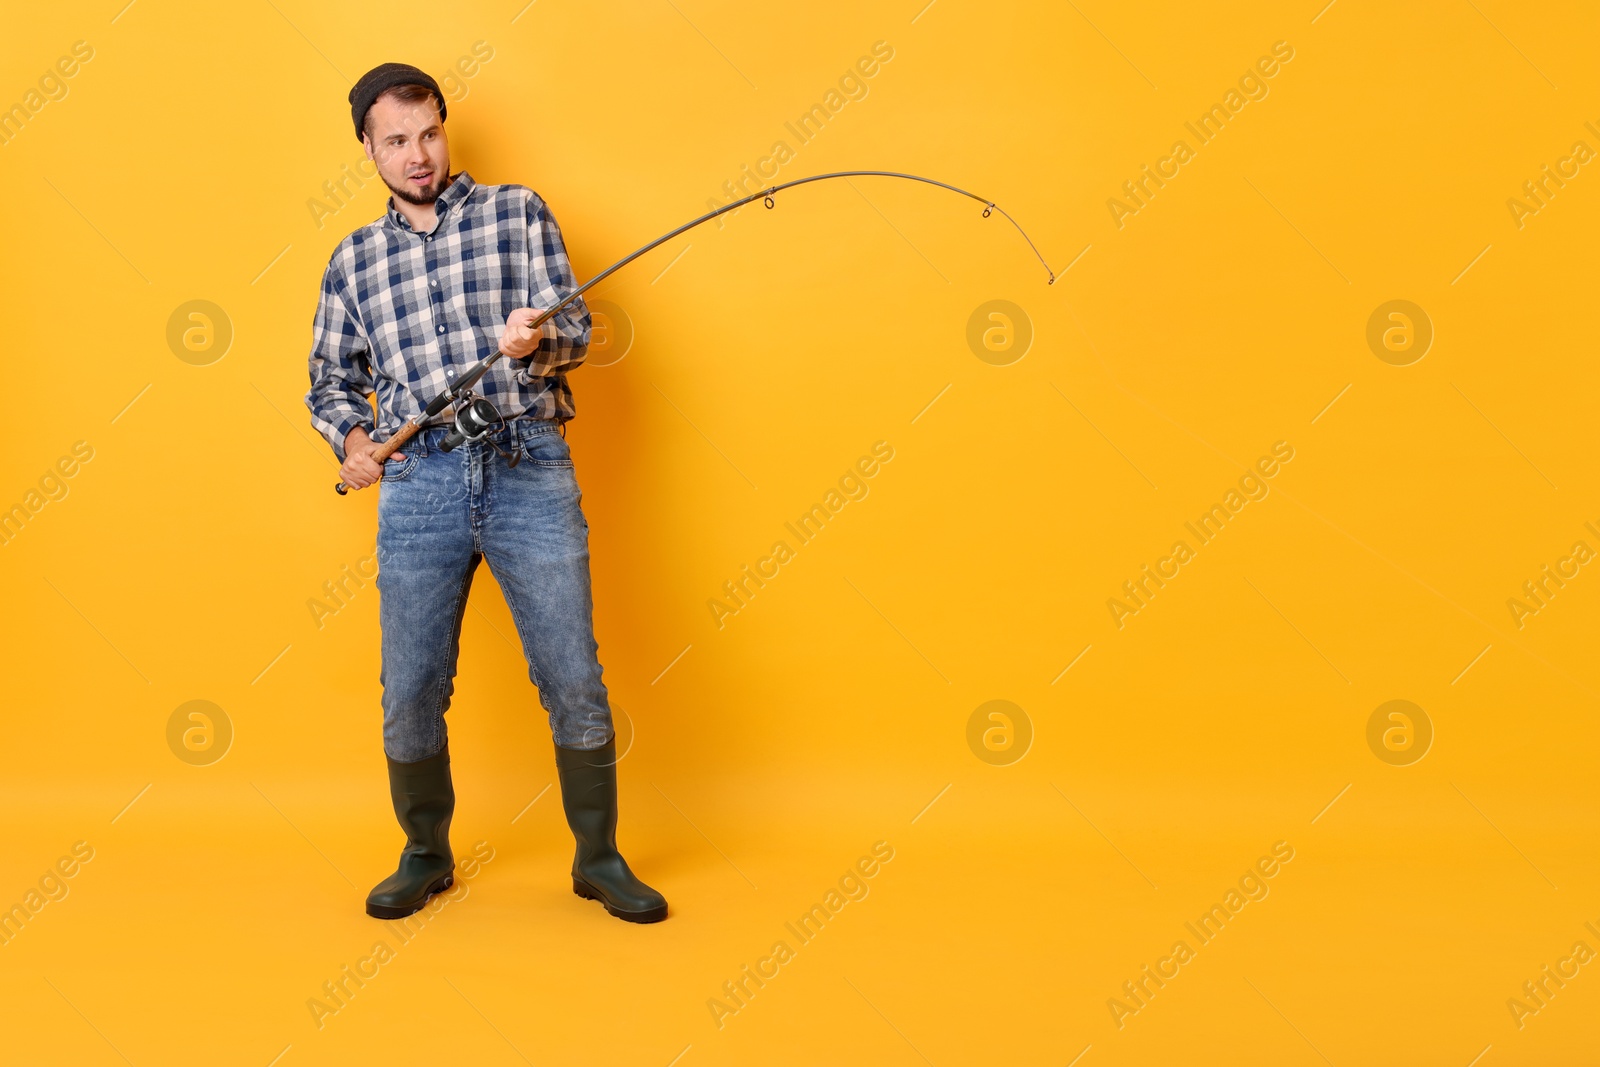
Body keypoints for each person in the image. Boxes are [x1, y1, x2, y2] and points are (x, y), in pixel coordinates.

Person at [303, 62, 666, 924]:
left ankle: (599, 856)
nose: (417, 155)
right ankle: (426, 852)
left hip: (527, 461)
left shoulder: (517, 212)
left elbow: (577, 331)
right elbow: (328, 382)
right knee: (413, 683)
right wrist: (353, 441)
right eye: (395, 141)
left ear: (442, 125)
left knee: (573, 672)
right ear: (368, 147)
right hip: (418, 481)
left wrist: (535, 340)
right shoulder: (353, 261)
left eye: (427, 132)